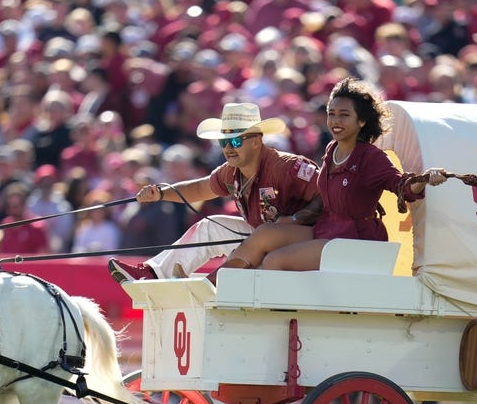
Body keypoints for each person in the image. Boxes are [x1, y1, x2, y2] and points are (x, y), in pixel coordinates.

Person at [214, 77, 446, 273]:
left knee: (276, 259)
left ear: (362, 121)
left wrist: (424, 180)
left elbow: (401, 186)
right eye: (331, 113)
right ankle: (214, 284)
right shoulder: (331, 150)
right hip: (328, 230)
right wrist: (295, 219)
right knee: (265, 234)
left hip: (355, 240)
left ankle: (245, 298)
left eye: (344, 115)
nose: (335, 121)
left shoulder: (370, 157)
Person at [107, 102, 320, 283]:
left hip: (301, 245)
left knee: (260, 236)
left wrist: (295, 219)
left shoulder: (288, 167)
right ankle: (153, 273)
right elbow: (200, 188)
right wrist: (161, 193)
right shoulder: (231, 171)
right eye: (223, 141)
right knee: (209, 227)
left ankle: (210, 285)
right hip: (261, 241)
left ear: (256, 141)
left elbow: (325, 197)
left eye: (236, 141)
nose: (228, 148)